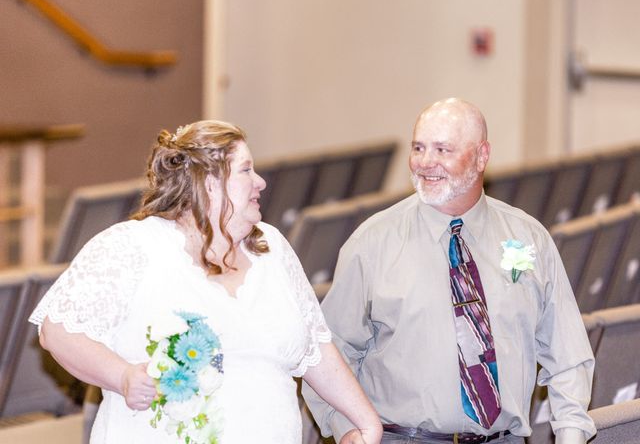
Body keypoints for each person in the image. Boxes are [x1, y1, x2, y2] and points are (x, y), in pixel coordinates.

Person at [30, 120, 382, 444]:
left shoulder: (272, 248)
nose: (261, 182)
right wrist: (121, 376)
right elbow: (57, 331)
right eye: (246, 171)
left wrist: (366, 421)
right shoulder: (132, 246)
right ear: (209, 183)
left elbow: (316, 349)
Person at [302, 98, 596, 444]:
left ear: (482, 155)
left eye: (442, 150)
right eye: (419, 148)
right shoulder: (372, 244)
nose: (426, 163)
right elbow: (326, 353)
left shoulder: (528, 237)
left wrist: (571, 435)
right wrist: (347, 429)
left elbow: (568, 355)